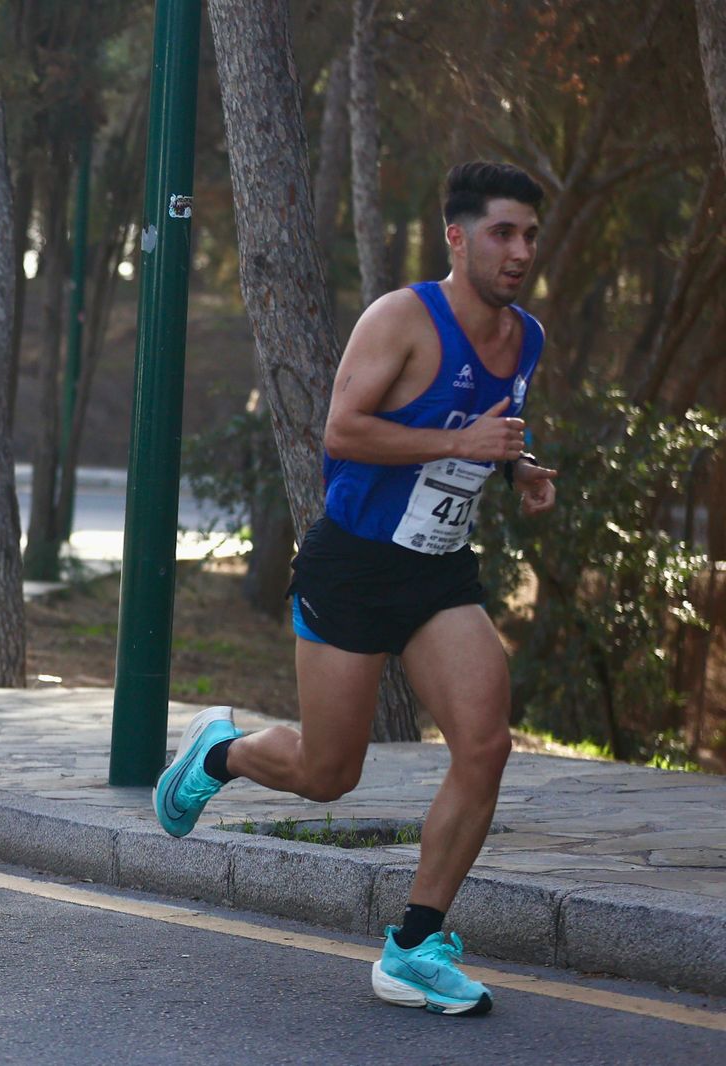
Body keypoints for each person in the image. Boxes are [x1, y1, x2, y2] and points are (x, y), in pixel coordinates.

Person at [154, 162, 557, 1017]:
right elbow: (343, 432)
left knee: (485, 745)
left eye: (529, 234)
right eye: (502, 233)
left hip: (439, 570)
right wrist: (469, 444)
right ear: (458, 238)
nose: (520, 251)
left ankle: (414, 946)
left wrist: (516, 466)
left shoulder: (527, 337)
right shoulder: (403, 318)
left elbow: (479, 430)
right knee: (328, 773)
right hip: (355, 565)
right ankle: (220, 753)